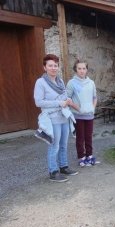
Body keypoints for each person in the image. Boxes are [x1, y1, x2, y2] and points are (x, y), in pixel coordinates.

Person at [34, 54, 79, 182]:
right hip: (52, 119)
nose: (53, 68)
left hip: (63, 116)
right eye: (50, 65)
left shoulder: (60, 81)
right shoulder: (41, 82)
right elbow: (39, 102)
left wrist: (67, 100)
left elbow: (64, 96)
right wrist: (59, 103)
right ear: (45, 67)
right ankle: (53, 172)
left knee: (64, 144)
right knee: (54, 145)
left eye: (55, 65)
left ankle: (63, 166)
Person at [66, 59, 99, 167]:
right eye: (79, 68)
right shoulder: (72, 83)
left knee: (88, 136)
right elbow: (67, 99)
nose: (82, 71)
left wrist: (92, 108)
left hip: (89, 115)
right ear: (75, 70)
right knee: (80, 137)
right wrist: (77, 107)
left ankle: (89, 156)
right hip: (78, 115)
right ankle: (81, 157)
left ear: (87, 70)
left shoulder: (91, 83)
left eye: (84, 68)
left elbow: (95, 97)